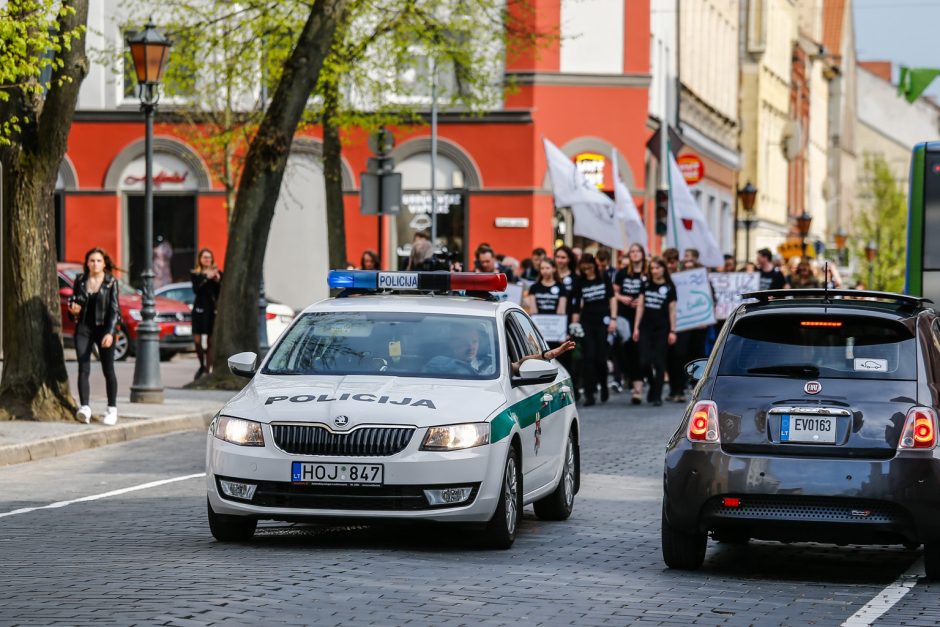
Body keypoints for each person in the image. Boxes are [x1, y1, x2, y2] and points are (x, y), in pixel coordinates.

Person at [68, 248, 121, 425]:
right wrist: (73, 310)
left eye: (98, 261)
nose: (95, 264)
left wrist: (110, 332)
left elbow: (115, 310)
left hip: (104, 330)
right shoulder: (80, 280)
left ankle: (111, 409)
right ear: (87, 263)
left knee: (108, 369)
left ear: (104, 263)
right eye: (92, 261)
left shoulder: (111, 282)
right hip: (84, 329)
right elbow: (74, 305)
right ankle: (85, 408)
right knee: (83, 368)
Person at [571, 253, 617, 406]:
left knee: (600, 357)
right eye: (584, 269)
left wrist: (613, 319)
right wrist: (574, 324)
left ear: (594, 266)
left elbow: (612, 298)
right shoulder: (579, 281)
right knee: (588, 357)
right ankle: (590, 393)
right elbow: (577, 305)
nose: (587, 271)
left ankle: (603, 385)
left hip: (602, 321)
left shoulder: (603, 278)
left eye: (589, 268)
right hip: (587, 322)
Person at [632, 256, 677, 406]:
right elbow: (640, 306)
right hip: (645, 327)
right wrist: (636, 327)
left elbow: (672, 310)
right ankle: (651, 384)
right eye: (652, 268)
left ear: (664, 269)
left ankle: (657, 395)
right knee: (644, 360)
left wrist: (673, 330)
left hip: (662, 328)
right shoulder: (646, 285)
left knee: (659, 362)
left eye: (657, 268)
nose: (655, 271)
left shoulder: (670, 287)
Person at [613, 243, 647, 404]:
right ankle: (635, 386)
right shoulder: (622, 274)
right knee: (630, 352)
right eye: (631, 252)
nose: (634, 254)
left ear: (642, 254)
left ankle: (641, 384)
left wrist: (641, 301)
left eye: (637, 251)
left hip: (645, 316)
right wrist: (622, 298)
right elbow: (613, 292)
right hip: (625, 317)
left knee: (643, 352)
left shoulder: (647, 273)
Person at [191, 248, 222, 379]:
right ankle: (201, 365)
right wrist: (205, 277)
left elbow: (220, 291)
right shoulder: (195, 274)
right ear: (200, 259)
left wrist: (217, 280)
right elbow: (196, 289)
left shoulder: (218, 273)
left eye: (209, 257)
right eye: (204, 257)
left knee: (211, 341)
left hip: (211, 310)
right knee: (197, 341)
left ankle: (208, 369)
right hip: (199, 309)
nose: (207, 259)